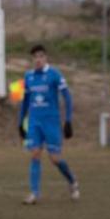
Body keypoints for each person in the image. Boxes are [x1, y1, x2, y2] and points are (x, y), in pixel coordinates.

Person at [18, 45, 79, 205]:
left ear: (46, 58)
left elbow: (67, 97)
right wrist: (20, 123)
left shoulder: (54, 75)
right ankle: (34, 194)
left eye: (41, 56)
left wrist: (68, 120)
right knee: (35, 154)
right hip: (34, 122)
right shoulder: (28, 77)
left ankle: (72, 181)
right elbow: (25, 101)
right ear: (32, 59)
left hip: (51, 122)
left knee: (55, 159)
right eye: (35, 57)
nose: (38, 59)